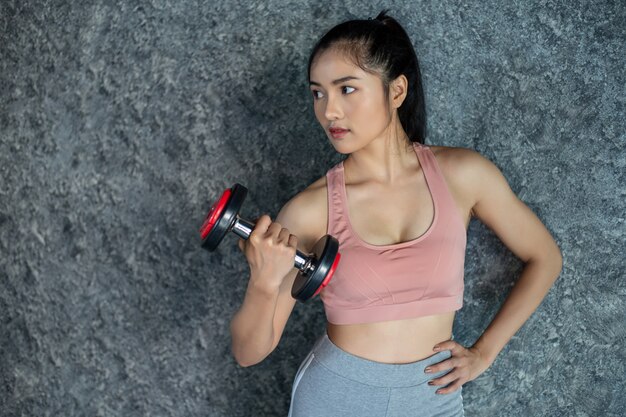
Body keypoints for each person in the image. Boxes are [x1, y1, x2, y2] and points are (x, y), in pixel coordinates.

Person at [229, 9, 563, 417]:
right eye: (318, 93)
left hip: (432, 400)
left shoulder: (465, 175)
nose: (329, 110)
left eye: (346, 89)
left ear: (397, 91)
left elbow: (545, 257)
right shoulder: (309, 209)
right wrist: (264, 283)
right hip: (336, 397)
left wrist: (484, 353)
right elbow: (248, 353)